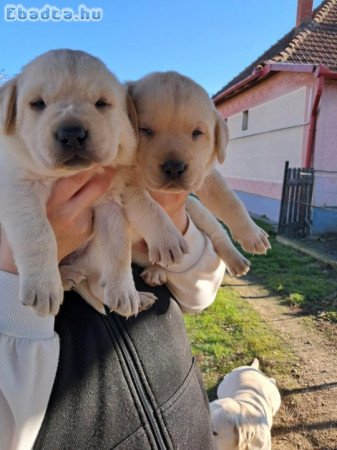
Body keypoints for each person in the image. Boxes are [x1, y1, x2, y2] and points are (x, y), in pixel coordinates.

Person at [0, 167, 226, 449]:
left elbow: (200, 296)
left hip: (187, 415)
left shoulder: (118, 158)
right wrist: (21, 267)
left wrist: (175, 221)